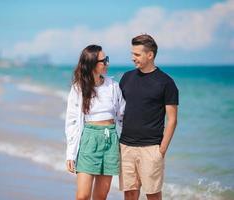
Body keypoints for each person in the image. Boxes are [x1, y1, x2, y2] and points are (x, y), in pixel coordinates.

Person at [119, 34, 179, 200]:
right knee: (130, 193)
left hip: (151, 148)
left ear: (150, 55)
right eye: (132, 54)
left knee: (152, 194)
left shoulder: (166, 82)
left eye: (137, 54)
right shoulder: (126, 78)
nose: (133, 58)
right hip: (126, 146)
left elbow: (172, 120)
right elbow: (118, 109)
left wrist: (162, 150)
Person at [65, 44, 125, 200]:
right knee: (82, 196)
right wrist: (70, 153)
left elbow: (122, 117)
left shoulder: (113, 86)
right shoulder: (78, 88)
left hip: (110, 141)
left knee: (100, 197)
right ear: (92, 63)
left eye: (107, 60)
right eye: (103, 61)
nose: (107, 64)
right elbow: (72, 122)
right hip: (89, 140)